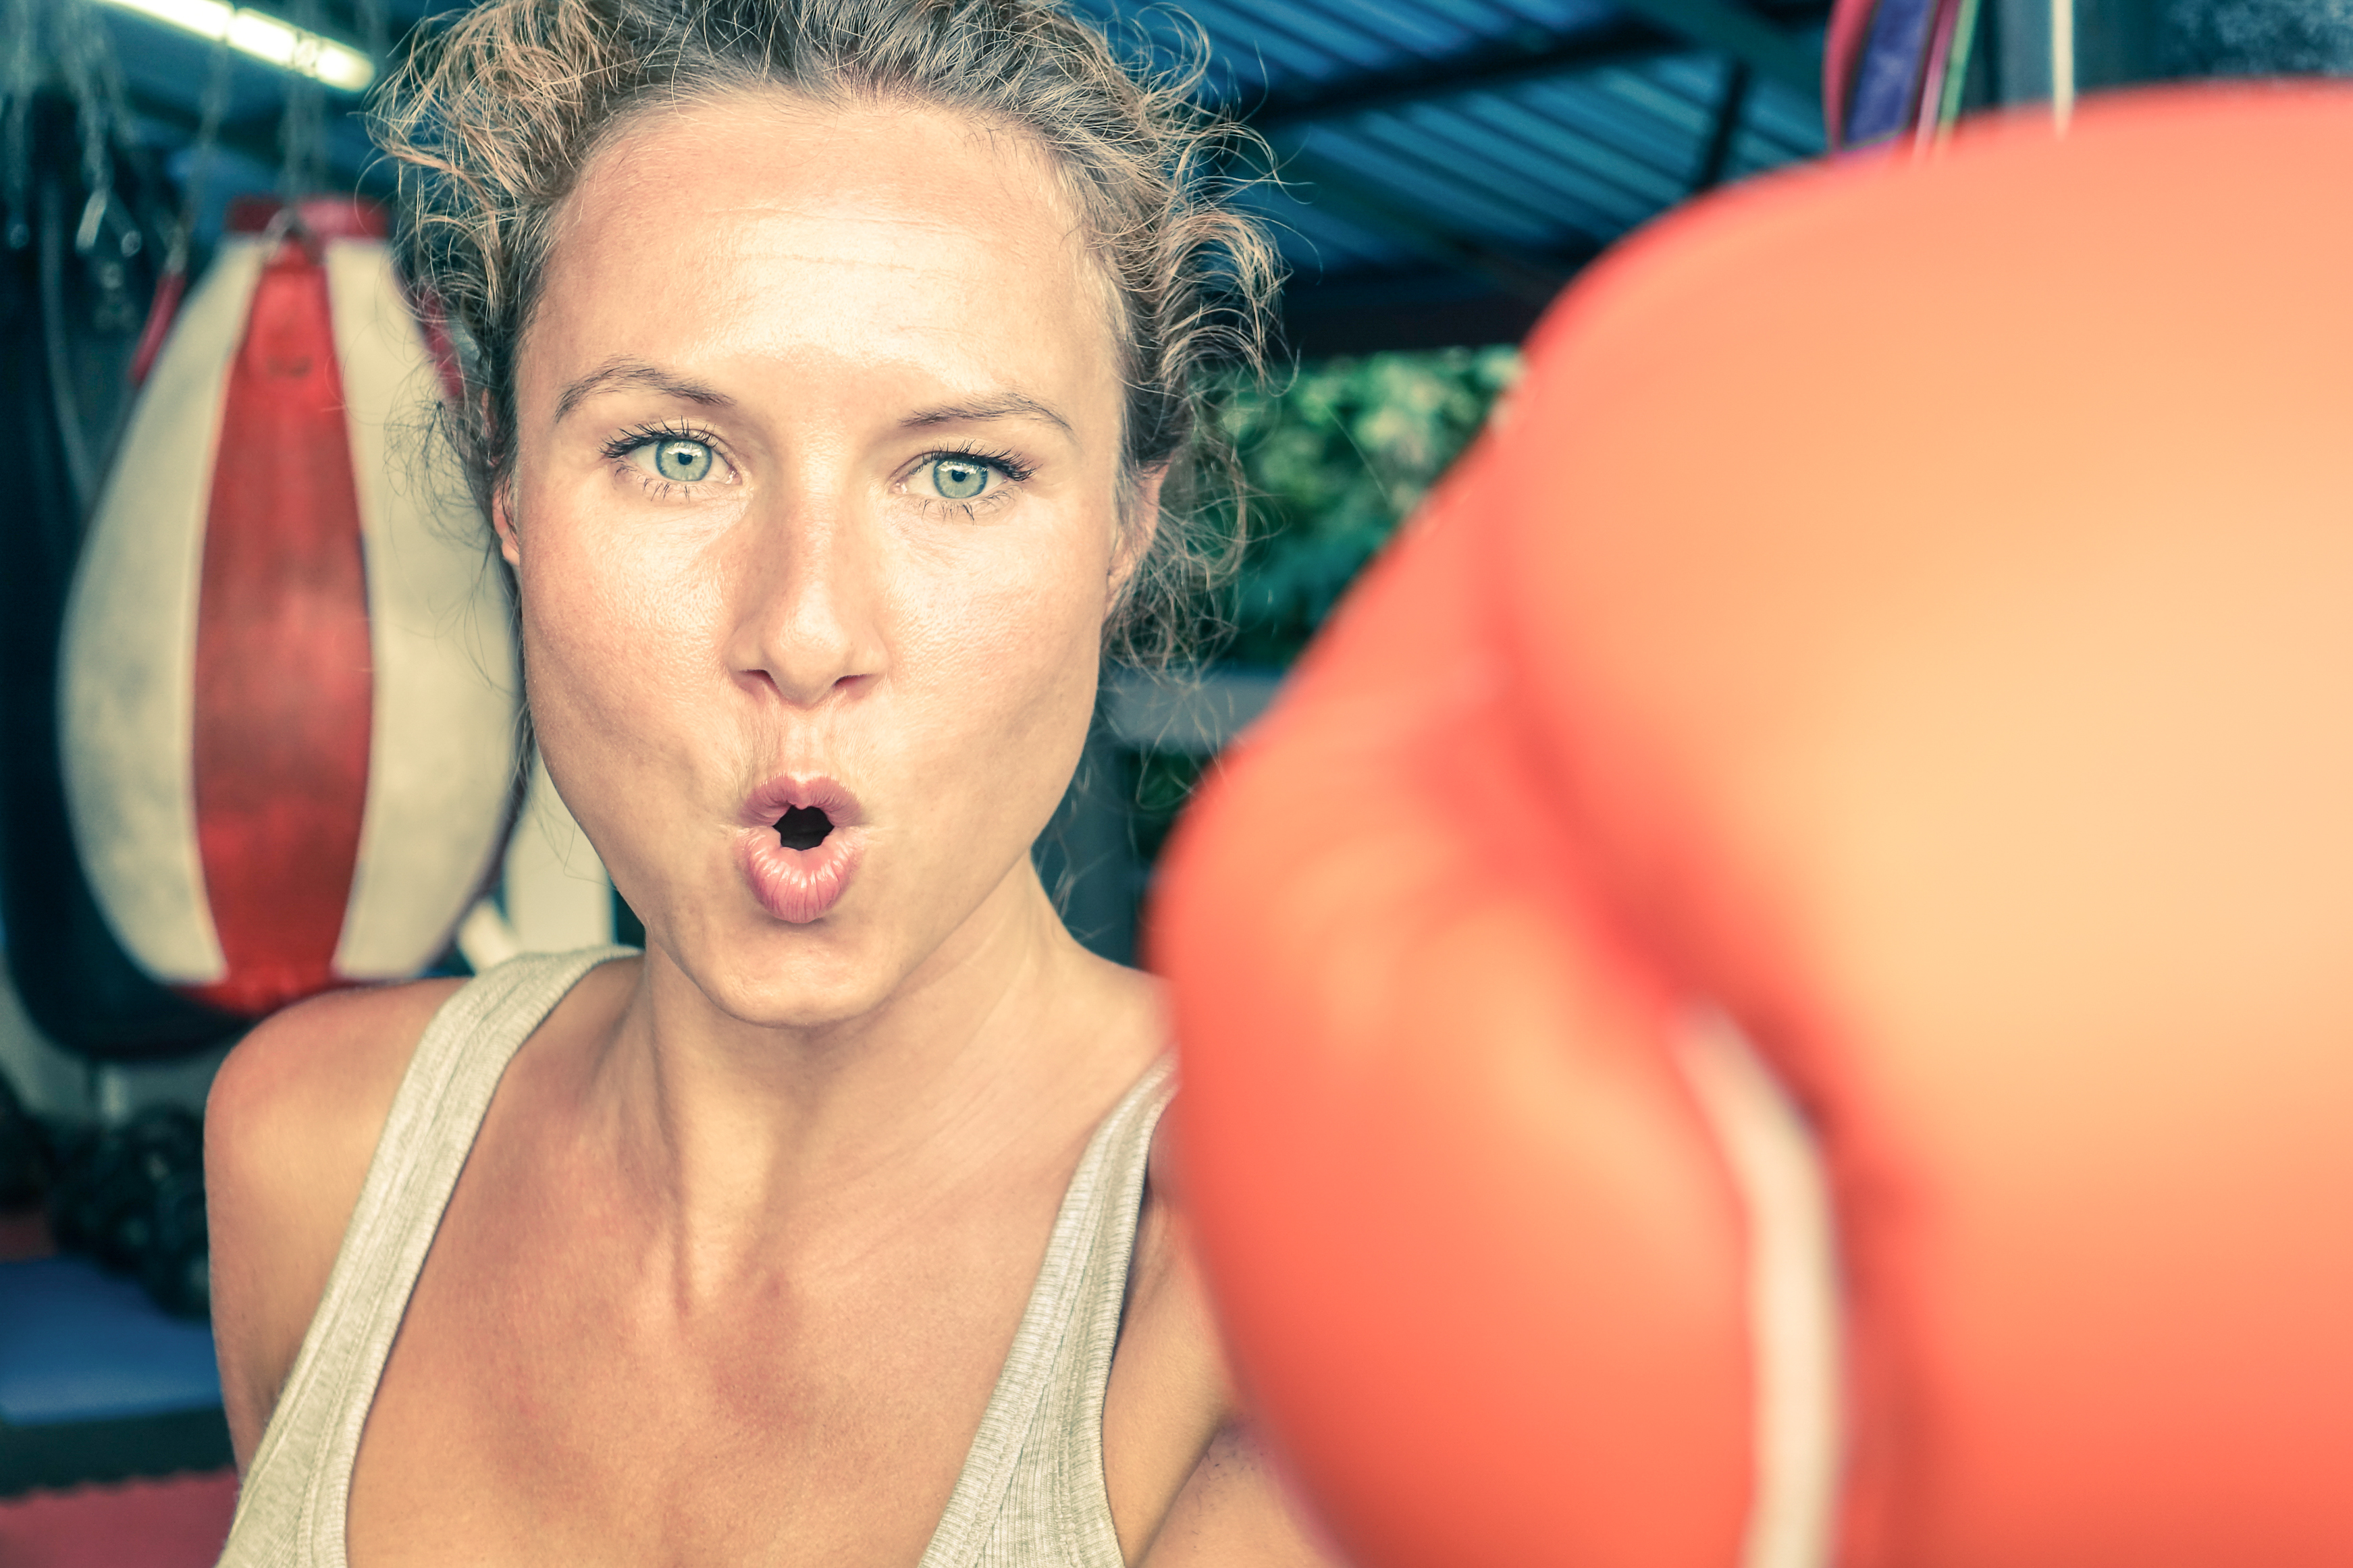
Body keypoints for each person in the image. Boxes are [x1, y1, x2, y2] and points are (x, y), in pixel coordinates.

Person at [203, 2, 1334, 1562]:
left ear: (1127, 529)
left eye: (961, 470)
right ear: (507, 483)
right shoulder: (314, 1149)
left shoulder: (1285, 1299)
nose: (805, 630)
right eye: (676, 452)